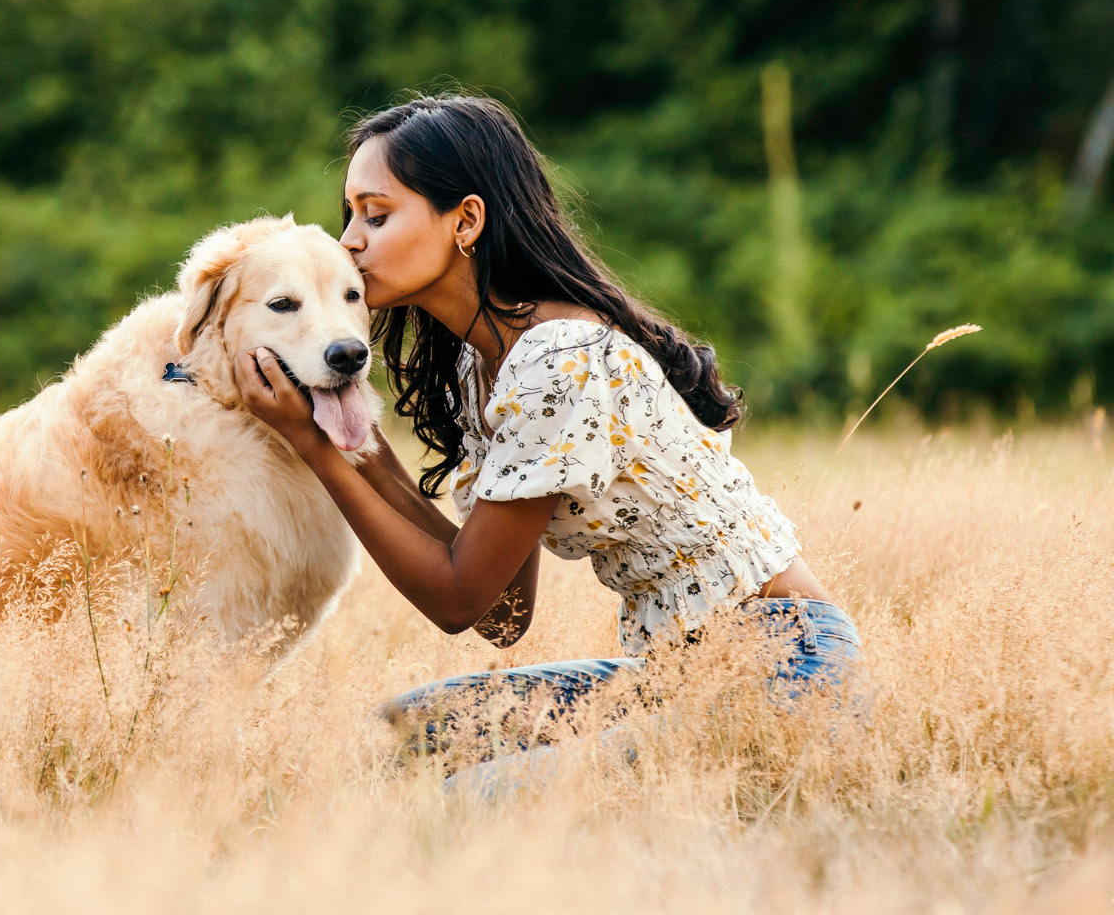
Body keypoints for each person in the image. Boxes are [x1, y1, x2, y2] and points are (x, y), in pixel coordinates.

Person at [233, 94, 867, 798]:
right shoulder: (483, 363)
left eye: (376, 215)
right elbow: (505, 613)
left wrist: (315, 449)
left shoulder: (558, 359)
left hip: (786, 667)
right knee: (398, 732)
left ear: (466, 220)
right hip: (671, 678)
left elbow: (457, 599)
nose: (349, 239)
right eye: (349, 213)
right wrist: (358, 446)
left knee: (463, 802)